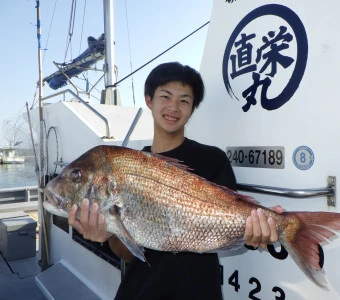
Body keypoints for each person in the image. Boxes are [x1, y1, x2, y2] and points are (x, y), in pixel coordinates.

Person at [68, 62, 282, 299]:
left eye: (184, 100)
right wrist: (106, 234)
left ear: (192, 109)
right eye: (165, 96)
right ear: (149, 100)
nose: (173, 107)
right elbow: (128, 254)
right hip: (141, 292)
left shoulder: (213, 159)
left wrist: (258, 232)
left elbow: (236, 222)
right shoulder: (128, 166)